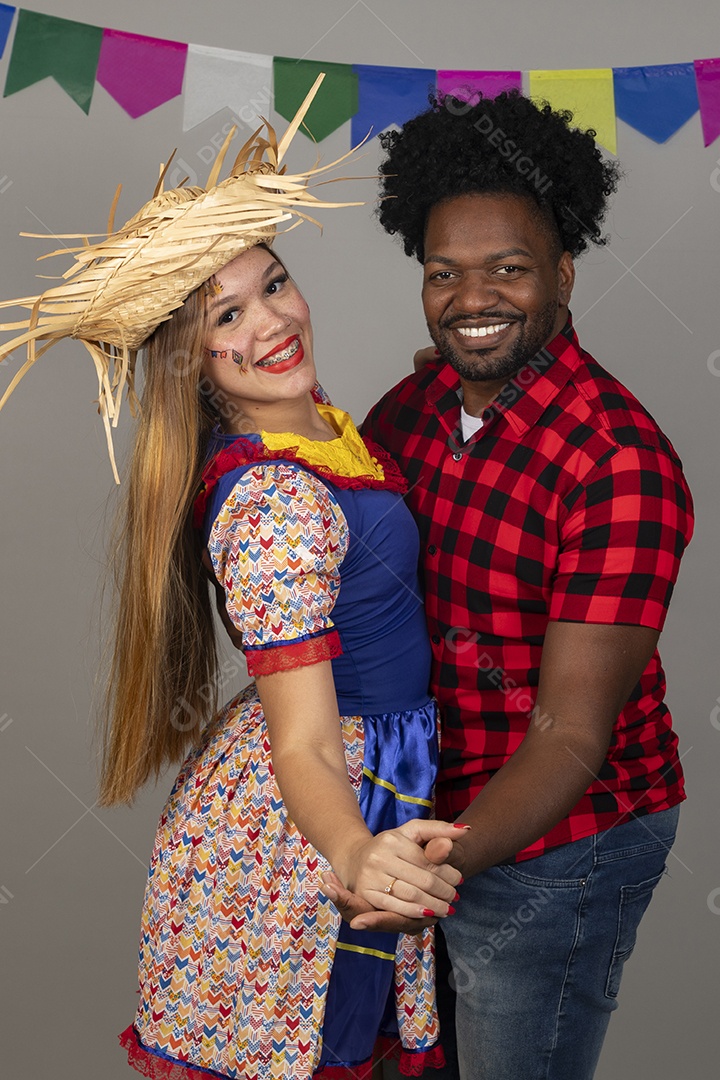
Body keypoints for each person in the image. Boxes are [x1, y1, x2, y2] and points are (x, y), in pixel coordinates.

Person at [0, 79, 462, 1080]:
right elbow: (299, 735)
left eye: (276, 283)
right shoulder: (271, 507)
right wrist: (348, 850)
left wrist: (443, 376)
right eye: (229, 316)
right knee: (320, 1050)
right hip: (316, 816)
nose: (273, 323)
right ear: (193, 362)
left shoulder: (311, 422)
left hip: (381, 771)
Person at [324, 90, 694, 1080]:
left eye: (508, 270)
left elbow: (571, 735)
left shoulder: (618, 463)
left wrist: (418, 865)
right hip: (427, 817)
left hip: (561, 841)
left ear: (563, 275)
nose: (471, 296)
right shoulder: (411, 409)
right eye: (445, 273)